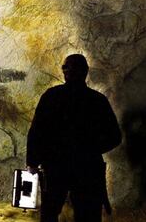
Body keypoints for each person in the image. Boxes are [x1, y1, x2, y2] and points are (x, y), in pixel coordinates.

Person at [26, 54, 121, 222]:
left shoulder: (51, 96)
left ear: (64, 71)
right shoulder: (97, 101)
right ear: (86, 72)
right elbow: (114, 137)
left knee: (49, 215)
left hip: (55, 167)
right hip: (88, 169)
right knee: (88, 216)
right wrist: (90, 150)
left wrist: (33, 163)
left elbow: (36, 133)